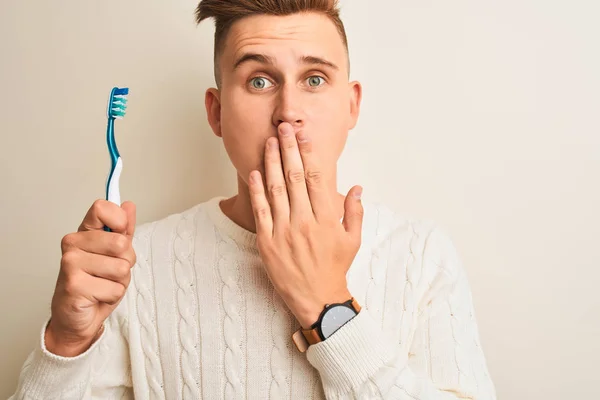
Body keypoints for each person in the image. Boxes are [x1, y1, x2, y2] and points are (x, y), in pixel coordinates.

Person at [10, 0, 496, 398]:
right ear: (217, 113)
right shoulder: (137, 266)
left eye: (314, 79)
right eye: (259, 81)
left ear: (352, 106)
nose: (288, 112)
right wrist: (67, 343)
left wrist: (327, 307)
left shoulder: (421, 254)